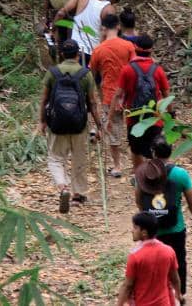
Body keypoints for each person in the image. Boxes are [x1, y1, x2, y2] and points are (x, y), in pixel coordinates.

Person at [39, 40, 103, 213]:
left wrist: (42, 121)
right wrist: (99, 126)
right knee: (79, 159)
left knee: (55, 158)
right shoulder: (85, 74)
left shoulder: (52, 73)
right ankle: (78, 195)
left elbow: (44, 100)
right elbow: (92, 102)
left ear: (61, 54)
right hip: (79, 124)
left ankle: (63, 187)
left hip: (57, 124)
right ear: (78, 54)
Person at [136, 140, 192, 301]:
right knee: (178, 260)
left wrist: (147, 216)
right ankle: (180, 294)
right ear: (170, 152)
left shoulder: (143, 172)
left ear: (153, 153)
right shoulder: (180, 174)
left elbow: (138, 199)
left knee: (154, 263)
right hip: (175, 228)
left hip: (152, 230)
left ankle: (159, 295)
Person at [110, 34, 172, 170]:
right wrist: (171, 113)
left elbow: (118, 94)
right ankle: (155, 176)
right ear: (151, 50)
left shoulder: (127, 70)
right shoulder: (158, 70)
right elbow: (167, 94)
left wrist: (110, 118)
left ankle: (140, 178)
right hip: (155, 117)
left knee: (136, 149)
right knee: (155, 147)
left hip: (134, 118)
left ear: (135, 48)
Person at [90, 13, 136, 178]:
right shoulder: (129, 46)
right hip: (130, 95)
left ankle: (117, 166)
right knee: (134, 128)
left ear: (103, 28)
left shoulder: (98, 49)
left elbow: (92, 72)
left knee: (113, 129)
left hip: (110, 94)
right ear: (118, 26)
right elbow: (135, 68)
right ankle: (139, 163)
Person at [116, 212, 182, 306]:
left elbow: (128, 285)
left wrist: (119, 304)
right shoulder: (169, 251)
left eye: (135, 228)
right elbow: (175, 278)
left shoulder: (135, 256)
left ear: (144, 233)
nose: (132, 230)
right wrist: (178, 295)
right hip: (164, 302)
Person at [54, 0, 122, 65]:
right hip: (93, 53)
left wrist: (53, 29)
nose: (111, 3)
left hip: (73, 49)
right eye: (113, 2)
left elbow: (60, 13)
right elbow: (110, 34)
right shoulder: (109, 9)